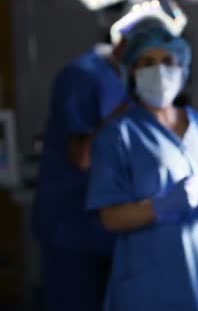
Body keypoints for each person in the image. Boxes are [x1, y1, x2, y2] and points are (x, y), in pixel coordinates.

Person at [86, 26, 198, 311]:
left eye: (168, 61)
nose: (159, 71)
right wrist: (162, 205)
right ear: (131, 72)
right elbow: (110, 218)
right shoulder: (118, 135)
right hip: (152, 286)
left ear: (182, 69)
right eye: (147, 63)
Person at [32, 17, 166, 311]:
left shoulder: (124, 80)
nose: (153, 69)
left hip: (110, 228)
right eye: (144, 60)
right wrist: (130, 104)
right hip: (71, 228)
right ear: (121, 45)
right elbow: (82, 157)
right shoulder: (81, 77)